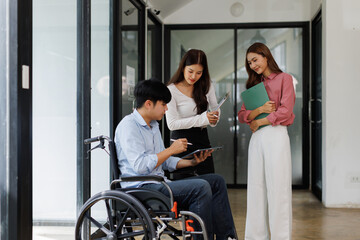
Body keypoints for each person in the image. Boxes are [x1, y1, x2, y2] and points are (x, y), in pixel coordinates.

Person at [114, 79, 237, 240]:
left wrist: (192, 162)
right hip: (142, 188)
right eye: (163, 104)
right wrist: (171, 150)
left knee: (216, 181)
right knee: (200, 187)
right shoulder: (128, 126)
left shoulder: (153, 125)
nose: (166, 109)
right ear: (149, 104)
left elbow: (164, 161)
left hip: (158, 184)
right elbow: (140, 166)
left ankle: (226, 237)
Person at [238, 42, 295, 240]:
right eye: (249, 63)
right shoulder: (254, 86)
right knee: (256, 189)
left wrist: (260, 120)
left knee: (278, 190)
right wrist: (260, 110)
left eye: (255, 60)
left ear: (266, 56)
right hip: (257, 138)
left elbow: (286, 110)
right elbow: (242, 115)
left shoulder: (284, 79)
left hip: (277, 135)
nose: (253, 65)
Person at [165, 49, 219, 179]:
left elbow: (215, 108)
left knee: (209, 183)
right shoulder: (171, 90)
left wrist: (213, 119)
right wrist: (202, 119)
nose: (193, 76)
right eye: (190, 71)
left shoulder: (207, 86)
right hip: (181, 143)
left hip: (202, 140)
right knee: (186, 187)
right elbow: (171, 124)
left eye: (199, 73)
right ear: (183, 68)